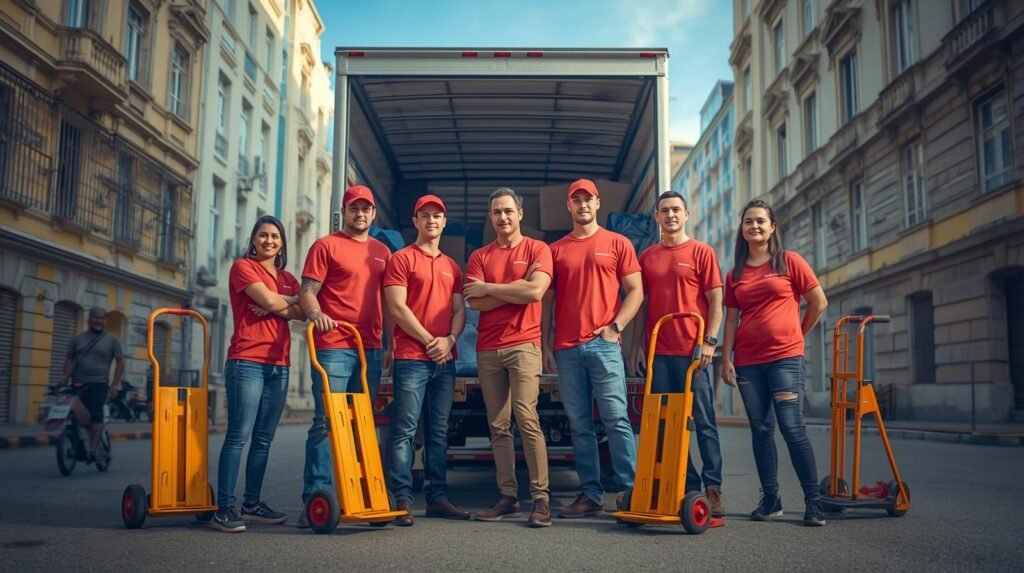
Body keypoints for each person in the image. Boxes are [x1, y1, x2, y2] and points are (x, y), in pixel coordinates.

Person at [721, 199, 829, 527]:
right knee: (761, 429)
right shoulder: (735, 273)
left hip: (784, 359)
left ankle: (813, 501)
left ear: (772, 227)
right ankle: (771, 499)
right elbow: (731, 319)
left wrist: (797, 333)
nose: (754, 226)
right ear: (742, 229)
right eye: (748, 221)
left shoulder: (789, 262)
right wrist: (725, 357)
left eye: (760, 221)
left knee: (792, 427)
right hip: (749, 362)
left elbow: (818, 302)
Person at [542, 178, 643, 518]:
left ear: (598, 204)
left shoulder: (618, 243)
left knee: (616, 420)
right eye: (576, 200)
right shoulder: (556, 250)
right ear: (568, 206)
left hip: (603, 346)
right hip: (567, 350)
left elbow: (636, 292)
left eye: (588, 199)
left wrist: (616, 328)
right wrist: (545, 345)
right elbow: (547, 302)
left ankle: (630, 492)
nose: (583, 205)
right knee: (579, 424)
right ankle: (590, 494)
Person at [297, 185, 393, 527]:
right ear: (345, 211)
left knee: (361, 423)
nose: (361, 214)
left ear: (373, 214)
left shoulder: (383, 252)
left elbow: (390, 302)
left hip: (370, 347)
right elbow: (307, 290)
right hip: (334, 345)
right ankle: (315, 498)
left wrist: (391, 344)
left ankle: (365, 496)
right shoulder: (326, 246)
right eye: (355, 208)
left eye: (366, 209)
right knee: (326, 422)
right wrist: (315, 314)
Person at [630, 191, 726, 517]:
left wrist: (710, 342)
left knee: (703, 421)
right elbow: (641, 306)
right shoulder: (647, 257)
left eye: (676, 210)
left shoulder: (702, 252)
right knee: (665, 424)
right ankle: (689, 484)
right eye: (664, 211)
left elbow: (716, 301)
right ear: (656, 217)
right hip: (659, 352)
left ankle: (713, 488)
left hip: (693, 352)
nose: (670, 215)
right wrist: (637, 349)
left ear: (686, 214)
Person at [463, 187, 553, 528]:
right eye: (497, 212)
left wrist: (492, 289)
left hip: (524, 344)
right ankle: (508, 497)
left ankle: (541, 498)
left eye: (508, 211)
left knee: (526, 418)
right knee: (498, 425)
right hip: (487, 348)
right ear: (491, 217)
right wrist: (513, 290)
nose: (503, 217)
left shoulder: (537, 249)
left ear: (520, 213)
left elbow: (535, 291)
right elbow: (475, 302)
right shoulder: (479, 256)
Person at [211, 215, 304, 533]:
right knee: (238, 436)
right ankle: (224, 508)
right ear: (253, 239)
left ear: (282, 243)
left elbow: (304, 310)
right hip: (247, 361)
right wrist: (279, 303)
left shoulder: (289, 278)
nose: (269, 241)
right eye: (263, 235)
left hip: (279, 365)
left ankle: (252, 504)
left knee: (264, 439)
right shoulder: (243, 267)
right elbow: (267, 300)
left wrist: (280, 303)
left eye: (275, 236)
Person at [384, 195, 469, 525]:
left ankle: (437, 498)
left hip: (444, 361)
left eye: (437, 216)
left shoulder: (452, 267)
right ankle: (403, 498)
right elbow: (397, 307)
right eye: (425, 215)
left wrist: (448, 340)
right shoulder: (401, 259)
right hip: (410, 358)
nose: (432, 220)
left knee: (439, 433)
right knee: (404, 431)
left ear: (444, 222)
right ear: (415, 221)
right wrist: (429, 340)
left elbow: (460, 310)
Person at [62, 307, 125, 462]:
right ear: (89, 319)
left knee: (96, 415)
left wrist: (114, 385)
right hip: (77, 383)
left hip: (99, 384)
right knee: (76, 413)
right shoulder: (76, 339)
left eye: (102, 318)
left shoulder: (112, 340)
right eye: (95, 317)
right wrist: (64, 377)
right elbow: (70, 359)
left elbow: (120, 362)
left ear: (105, 321)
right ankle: (86, 436)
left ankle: (92, 450)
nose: (98, 321)